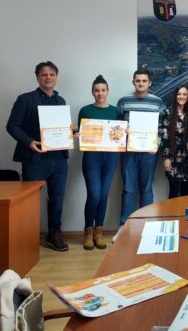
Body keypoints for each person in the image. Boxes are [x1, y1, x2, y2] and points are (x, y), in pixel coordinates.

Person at [6, 61, 75, 252]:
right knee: (30, 200)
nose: (48, 77)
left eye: (52, 74)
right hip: (34, 158)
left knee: (57, 198)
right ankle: (26, 236)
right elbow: (12, 125)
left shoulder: (61, 101)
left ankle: (54, 233)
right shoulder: (25, 99)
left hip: (59, 158)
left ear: (56, 77)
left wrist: (71, 130)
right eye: (44, 74)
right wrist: (29, 141)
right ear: (37, 77)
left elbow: (61, 129)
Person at [114, 69, 166, 242]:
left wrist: (157, 144)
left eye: (144, 81)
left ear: (149, 83)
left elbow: (163, 127)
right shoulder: (123, 101)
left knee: (146, 189)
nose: (141, 83)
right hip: (129, 152)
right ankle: (124, 227)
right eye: (138, 81)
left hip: (149, 153)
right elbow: (116, 126)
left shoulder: (158, 102)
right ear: (133, 82)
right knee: (128, 190)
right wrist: (123, 131)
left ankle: (147, 227)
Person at [77, 75, 121, 250]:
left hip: (110, 157)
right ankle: (88, 231)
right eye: (97, 90)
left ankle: (99, 231)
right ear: (92, 92)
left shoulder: (116, 111)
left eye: (103, 90)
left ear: (108, 91)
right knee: (94, 195)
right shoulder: (85, 110)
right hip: (91, 157)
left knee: (103, 195)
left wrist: (124, 132)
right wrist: (77, 134)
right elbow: (81, 133)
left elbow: (119, 135)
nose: (100, 93)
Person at [159, 86, 188, 198]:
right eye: (179, 94)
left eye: (184, 94)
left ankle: (185, 211)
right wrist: (166, 158)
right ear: (175, 96)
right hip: (173, 158)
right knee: (173, 192)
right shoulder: (167, 112)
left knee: (185, 192)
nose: (181, 96)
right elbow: (164, 136)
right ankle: (172, 211)